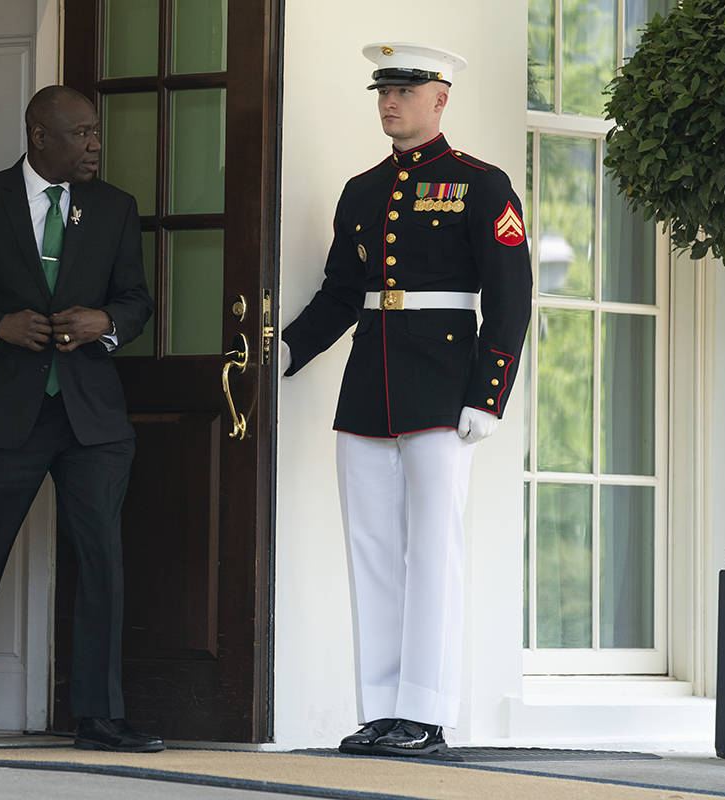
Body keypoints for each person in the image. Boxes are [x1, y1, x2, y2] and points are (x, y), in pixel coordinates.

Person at [281, 43, 532, 757]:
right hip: (370, 387)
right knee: (370, 550)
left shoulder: (481, 185)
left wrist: (489, 393)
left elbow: (510, 299)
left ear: (440, 98)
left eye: (405, 88)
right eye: (383, 90)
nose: (389, 101)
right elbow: (340, 294)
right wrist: (285, 355)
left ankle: (425, 710)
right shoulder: (362, 190)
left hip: (444, 388)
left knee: (434, 551)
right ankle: (383, 707)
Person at [0, 85, 162, 753]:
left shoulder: (114, 209)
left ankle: (99, 717)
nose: (95, 145)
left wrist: (106, 322)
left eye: (97, 132)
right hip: (1, 415)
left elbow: (136, 300)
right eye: (82, 134)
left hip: (91, 421)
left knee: (101, 558)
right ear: (40, 136)